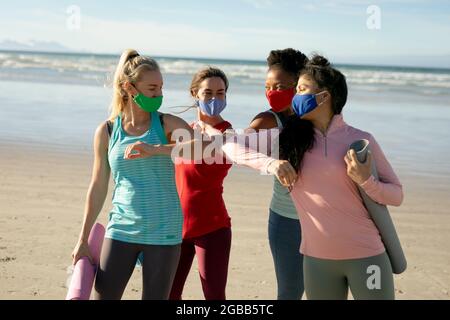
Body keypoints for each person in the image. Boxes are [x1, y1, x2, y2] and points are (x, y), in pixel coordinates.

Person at [71, 49, 193, 299]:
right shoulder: (107, 131)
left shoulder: (167, 124)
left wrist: (156, 149)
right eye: (152, 88)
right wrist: (83, 238)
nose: (159, 94)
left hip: (164, 229)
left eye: (161, 88)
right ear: (129, 87)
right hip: (121, 227)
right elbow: (98, 185)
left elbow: (202, 148)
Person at [247, 48, 308, 300]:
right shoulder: (268, 120)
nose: (271, 92)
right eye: (267, 86)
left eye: (280, 86)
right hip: (287, 221)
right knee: (290, 292)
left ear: (299, 86)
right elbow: (237, 144)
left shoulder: (318, 120)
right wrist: (269, 163)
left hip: (326, 219)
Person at [169, 67, 233, 300]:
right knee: (168, 294)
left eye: (221, 93)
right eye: (208, 93)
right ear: (195, 93)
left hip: (212, 227)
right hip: (176, 228)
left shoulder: (228, 135)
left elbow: (209, 147)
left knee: (214, 296)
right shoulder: (182, 130)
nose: (215, 99)